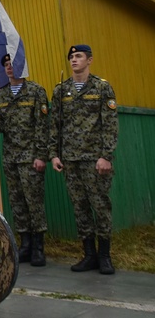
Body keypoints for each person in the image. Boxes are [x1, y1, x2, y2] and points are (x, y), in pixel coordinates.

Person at [51, 44, 118, 275]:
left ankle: (105, 256)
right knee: (79, 207)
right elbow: (55, 125)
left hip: (94, 159)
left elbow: (110, 124)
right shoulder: (61, 90)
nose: (74, 60)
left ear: (89, 60)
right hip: (70, 159)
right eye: (71, 57)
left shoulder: (101, 87)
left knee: (100, 205)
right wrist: (54, 154)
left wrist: (106, 156)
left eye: (78, 56)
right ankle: (89, 255)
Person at [0, 54, 50, 266]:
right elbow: (1, 127)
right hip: (11, 156)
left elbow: (42, 125)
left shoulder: (35, 91)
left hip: (30, 156)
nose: (9, 67)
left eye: (12, 64)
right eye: (6, 64)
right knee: (17, 201)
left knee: (34, 201)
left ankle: (38, 247)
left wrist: (41, 155)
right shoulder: (2, 93)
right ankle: (25, 244)